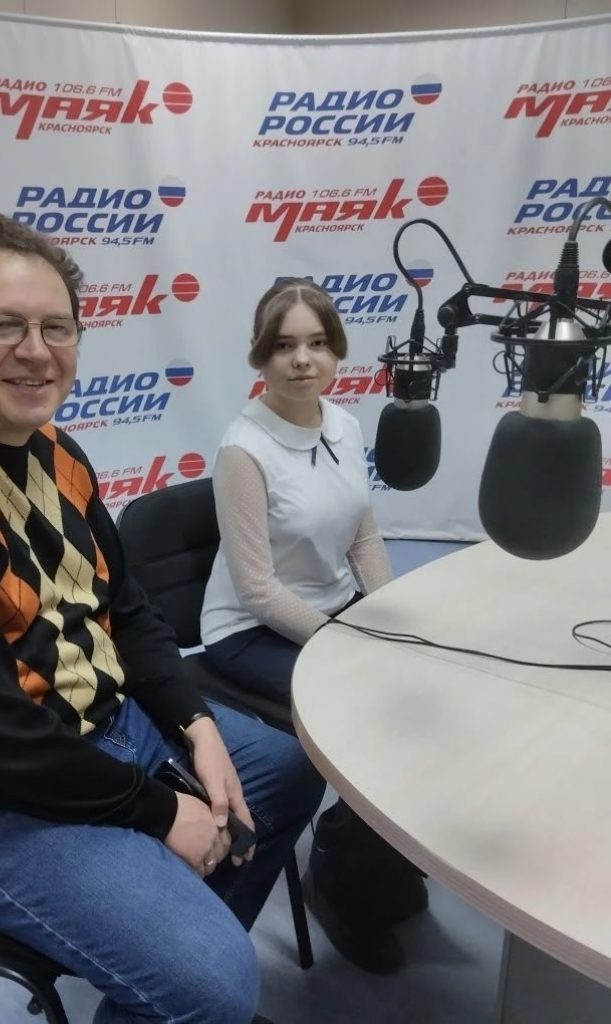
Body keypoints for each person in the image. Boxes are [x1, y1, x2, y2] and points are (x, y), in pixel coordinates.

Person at [0, 216, 325, 1024]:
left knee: (285, 769)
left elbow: (126, 611)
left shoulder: (54, 448)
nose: (36, 351)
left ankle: (163, 992)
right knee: (214, 984)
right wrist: (162, 811)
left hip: (94, 730)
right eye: (1, 324)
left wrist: (199, 726)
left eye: (55, 327)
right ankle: (190, 992)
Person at [201, 278, 428, 973]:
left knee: (425, 689)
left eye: (317, 343)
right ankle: (338, 884)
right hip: (249, 629)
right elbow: (258, 590)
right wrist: (348, 643)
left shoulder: (344, 424)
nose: (303, 359)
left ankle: (350, 839)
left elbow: (363, 536)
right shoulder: (243, 450)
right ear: (261, 357)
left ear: (336, 351)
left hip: (331, 612)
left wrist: (391, 620)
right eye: (284, 346)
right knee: (370, 713)